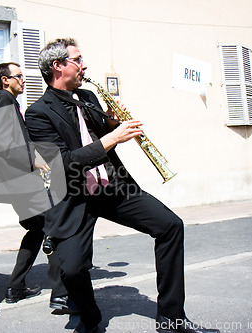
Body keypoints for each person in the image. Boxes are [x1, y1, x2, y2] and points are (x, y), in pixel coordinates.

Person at [24, 38, 219, 333]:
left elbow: (95, 135)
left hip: (113, 187)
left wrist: (113, 124)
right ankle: (89, 318)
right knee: (73, 269)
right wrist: (112, 138)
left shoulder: (88, 97)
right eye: (77, 59)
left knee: (170, 226)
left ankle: (172, 318)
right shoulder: (38, 113)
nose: (84, 64)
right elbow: (61, 164)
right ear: (58, 66)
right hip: (75, 197)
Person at [0, 62, 75, 313]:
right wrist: (33, 158)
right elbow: (4, 142)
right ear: (5, 80)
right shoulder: (3, 100)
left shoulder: (8, 101)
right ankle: (61, 294)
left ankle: (15, 287)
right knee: (54, 227)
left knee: (37, 230)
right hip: (20, 181)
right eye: (19, 76)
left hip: (17, 181)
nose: (23, 80)